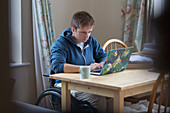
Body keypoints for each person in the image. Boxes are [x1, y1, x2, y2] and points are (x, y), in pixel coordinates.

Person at [50, 11, 113, 113]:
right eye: (83, 32)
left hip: (86, 81)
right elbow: (58, 66)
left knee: (112, 96)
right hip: (65, 84)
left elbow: (103, 55)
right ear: (73, 30)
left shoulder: (90, 40)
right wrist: (86, 68)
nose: (87, 36)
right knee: (99, 99)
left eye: (90, 32)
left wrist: (102, 63)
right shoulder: (60, 44)